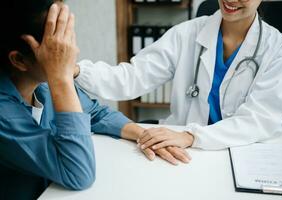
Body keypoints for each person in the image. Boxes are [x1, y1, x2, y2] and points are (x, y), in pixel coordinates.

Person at [0, 1, 191, 199]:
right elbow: (78, 173)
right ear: (19, 60)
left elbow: (96, 113)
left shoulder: (43, 85)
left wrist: (145, 135)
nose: (72, 51)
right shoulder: (6, 113)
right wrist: (61, 77)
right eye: (58, 47)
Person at [74, 0, 282, 150]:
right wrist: (76, 70)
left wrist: (192, 136)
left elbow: (259, 120)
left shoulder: (278, 49)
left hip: (250, 150)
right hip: (191, 152)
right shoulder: (187, 33)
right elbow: (132, 77)